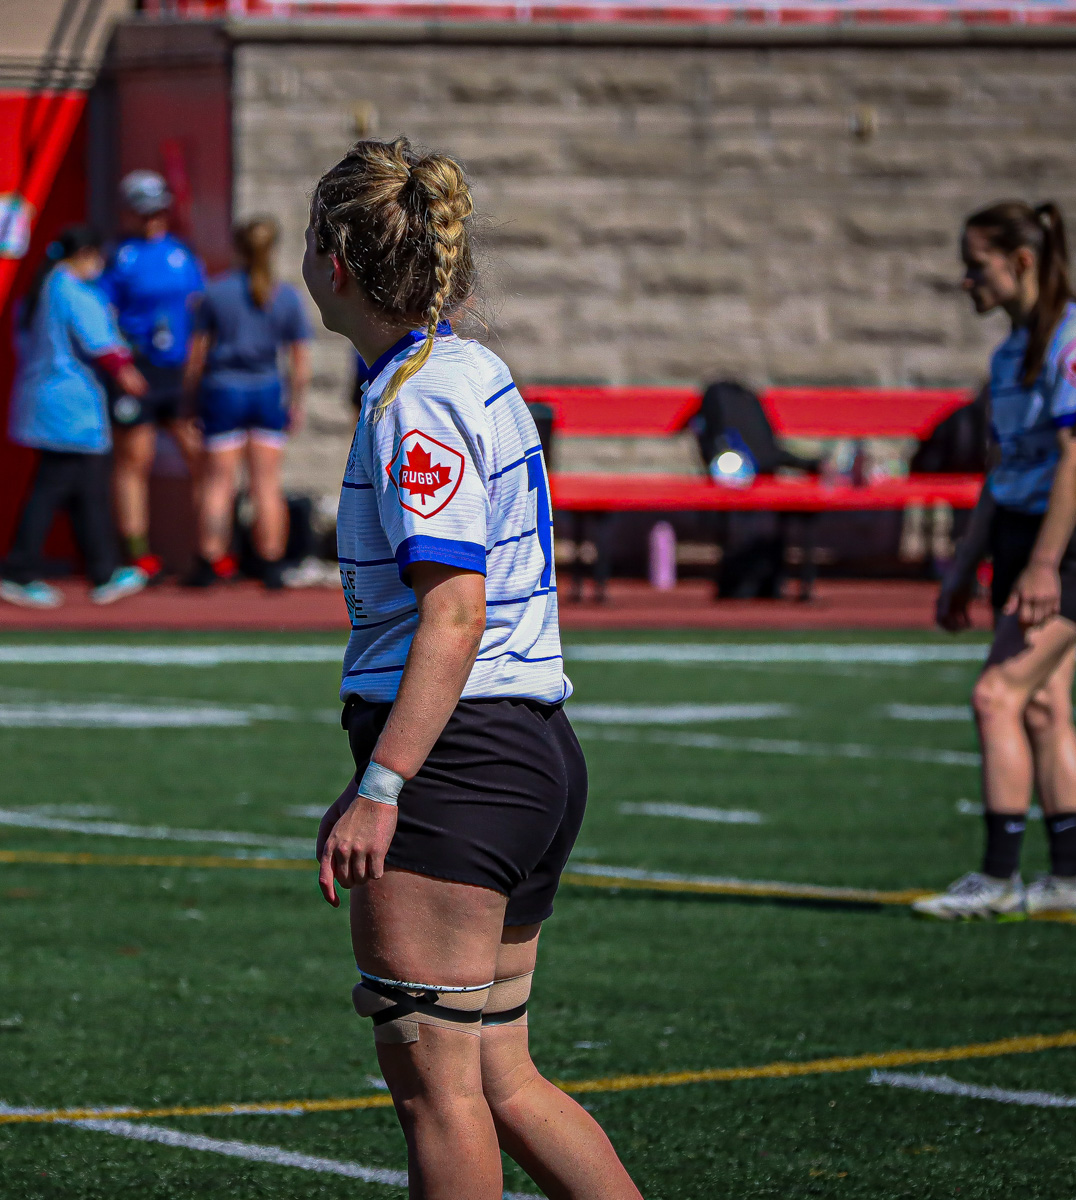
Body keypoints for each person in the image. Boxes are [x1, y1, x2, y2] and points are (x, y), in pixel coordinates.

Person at [307, 139, 641, 1199]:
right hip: (515, 750)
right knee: (497, 1075)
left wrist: (384, 784)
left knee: (435, 1088)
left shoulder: (421, 396)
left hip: (467, 759)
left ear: (338, 265)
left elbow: (453, 614)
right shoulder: (456, 371)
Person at [918, 201, 1076, 920]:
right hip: (1026, 535)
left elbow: (1074, 460)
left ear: (1021, 261)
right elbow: (1001, 473)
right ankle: (1070, 876)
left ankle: (996, 879)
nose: (967, 280)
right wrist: (966, 567)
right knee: (1047, 703)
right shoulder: (1007, 355)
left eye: (977, 265)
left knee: (998, 695)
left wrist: (1047, 563)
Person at [0, 225, 149, 610]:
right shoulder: (73, 291)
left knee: (86, 492)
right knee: (52, 489)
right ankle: (21, 570)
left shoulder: (43, 289)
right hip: (70, 406)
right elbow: (101, 343)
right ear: (85, 255)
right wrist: (129, 376)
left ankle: (102, 571)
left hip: (52, 403)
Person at [182, 216, 312, 589]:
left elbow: (196, 357)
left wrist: (189, 401)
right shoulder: (285, 295)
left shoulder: (215, 291)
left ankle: (210, 559)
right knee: (266, 484)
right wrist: (296, 401)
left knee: (218, 483)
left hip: (223, 391)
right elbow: (298, 362)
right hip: (267, 391)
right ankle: (271, 562)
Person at [101, 170, 205, 579]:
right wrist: (121, 364)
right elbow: (104, 314)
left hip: (176, 370)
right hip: (139, 369)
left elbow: (198, 314)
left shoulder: (182, 255)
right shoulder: (119, 257)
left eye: (157, 212)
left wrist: (196, 371)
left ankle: (208, 549)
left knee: (200, 455)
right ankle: (137, 552)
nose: (152, 221)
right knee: (134, 459)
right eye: (144, 213)